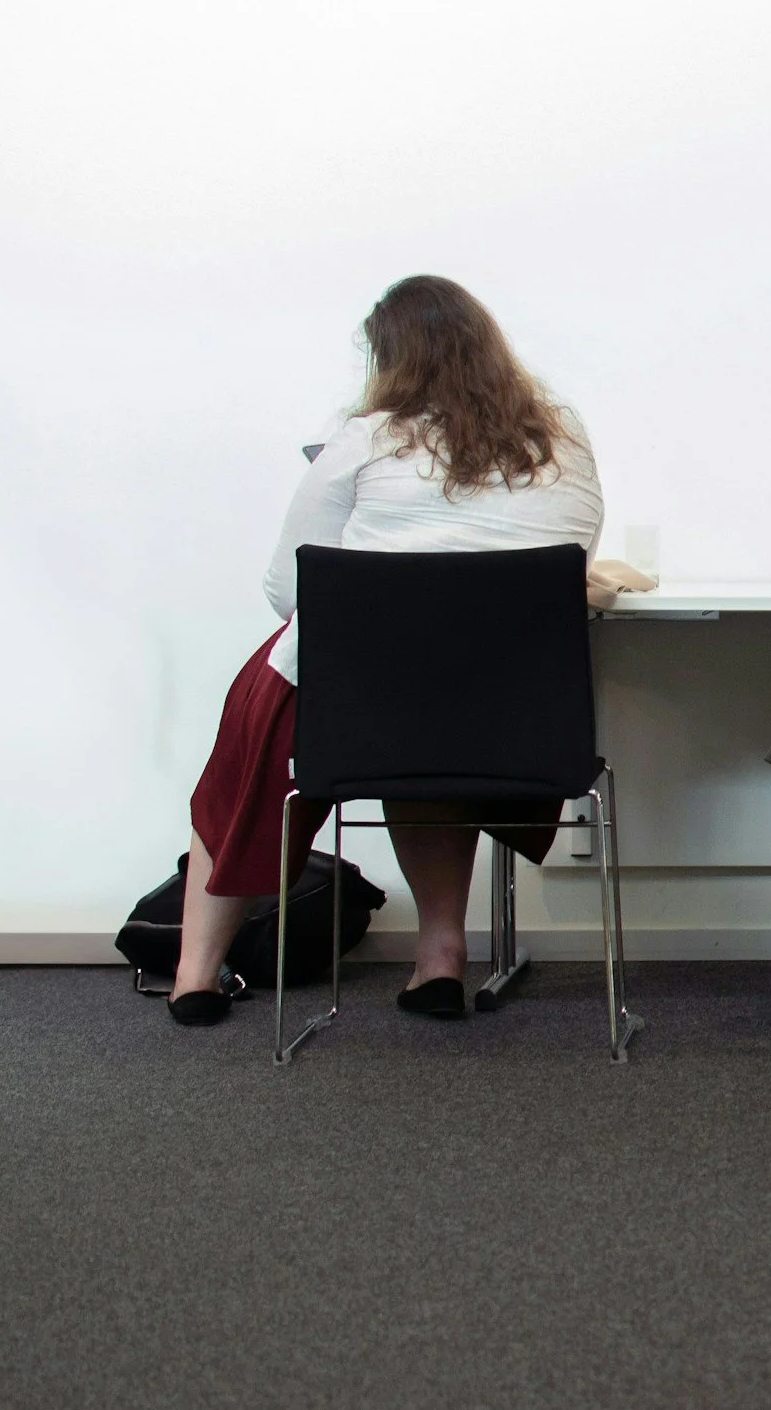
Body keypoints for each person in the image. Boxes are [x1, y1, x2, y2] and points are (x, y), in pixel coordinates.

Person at [167, 276, 604, 1026]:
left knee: (250, 751)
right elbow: (572, 558)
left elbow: (287, 587)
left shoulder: (364, 440)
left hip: (365, 699)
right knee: (427, 739)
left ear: (391, 360)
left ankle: (196, 977)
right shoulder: (558, 440)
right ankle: (439, 960)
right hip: (507, 707)